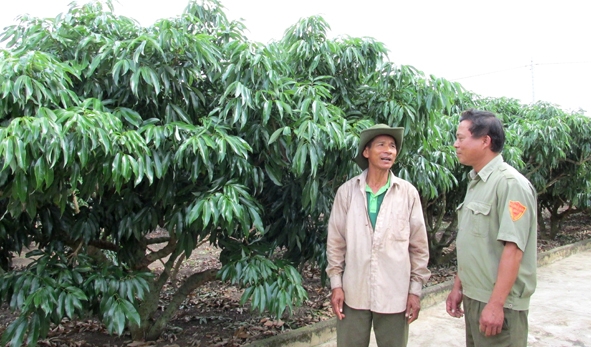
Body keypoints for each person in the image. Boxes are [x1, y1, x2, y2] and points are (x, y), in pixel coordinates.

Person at [326, 124, 430, 347]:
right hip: (354, 293)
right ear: (366, 152)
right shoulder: (347, 192)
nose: (389, 151)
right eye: (381, 145)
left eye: (393, 146)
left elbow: (419, 246)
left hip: (395, 294)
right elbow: (336, 242)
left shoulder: (407, 193)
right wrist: (336, 284)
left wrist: (415, 291)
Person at [446, 109, 538, 347]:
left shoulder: (510, 184)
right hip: (475, 297)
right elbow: (474, 242)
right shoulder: (476, 182)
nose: (456, 145)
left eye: (461, 137)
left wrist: (496, 304)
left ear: (485, 141)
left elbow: (514, 249)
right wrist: (459, 286)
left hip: (500, 304)